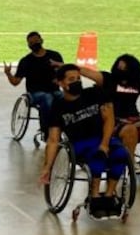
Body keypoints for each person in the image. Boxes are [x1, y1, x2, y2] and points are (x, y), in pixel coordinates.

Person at [39, 64, 130, 219]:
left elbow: (109, 119)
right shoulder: (58, 106)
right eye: (71, 79)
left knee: (121, 154)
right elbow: (54, 139)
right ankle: (94, 197)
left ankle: (108, 196)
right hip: (79, 143)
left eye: (79, 78)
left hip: (103, 138)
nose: (77, 82)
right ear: (60, 83)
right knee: (97, 157)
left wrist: (105, 143)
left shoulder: (95, 94)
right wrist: (47, 167)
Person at [92, 54, 140, 175]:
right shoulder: (109, 79)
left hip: (133, 116)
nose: (120, 67)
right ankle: (131, 162)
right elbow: (90, 74)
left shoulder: (136, 83)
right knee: (130, 130)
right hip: (114, 118)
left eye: (124, 66)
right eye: (119, 65)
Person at [4, 31, 63, 137]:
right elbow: (15, 82)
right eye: (31, 43)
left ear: (41, 40)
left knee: (64, 97)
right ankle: (47, 129)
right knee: (47, 98)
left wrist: (58, 77)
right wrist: (8, 73)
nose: (34, 44)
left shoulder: (54, 55)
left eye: (35, 41)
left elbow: (64, 72)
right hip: (34, 93)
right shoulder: (26, 61)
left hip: (54, 90)